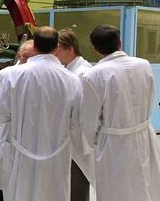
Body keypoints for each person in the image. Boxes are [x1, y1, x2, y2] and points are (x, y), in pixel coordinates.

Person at [79, 25, 160, 201]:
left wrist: (96, 141)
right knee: (145, 184)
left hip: (113, 142)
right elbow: (151, 94)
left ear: (95, 49)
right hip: (144, 135)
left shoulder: (93, 75)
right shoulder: (143, 64)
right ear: (120, 43)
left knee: (117, 190)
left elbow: (89, 118)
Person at [0, 26, 80, 201]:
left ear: (35, 47)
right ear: (57, 47)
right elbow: (76, 122)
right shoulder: (72, 80)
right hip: (57, 154)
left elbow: (1, 114)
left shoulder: (12, 76)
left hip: (21, 153)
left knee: (22, 193)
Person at [0, 39, 37, 201]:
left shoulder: (38, 76)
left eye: (33, 56)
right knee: (4, 184)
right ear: (19, 55)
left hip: (31, 141)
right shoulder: (4, 75)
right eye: (26, 56)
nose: (28, 61)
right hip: (8, 138)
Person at [56, 29, 94, 201]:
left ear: (70, 49)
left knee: (77, 183)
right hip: (67, 137)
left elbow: (81, 111)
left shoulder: (82, 72)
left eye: (58, 51)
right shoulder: (69, 69)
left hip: (77, 139)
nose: (55, 55)